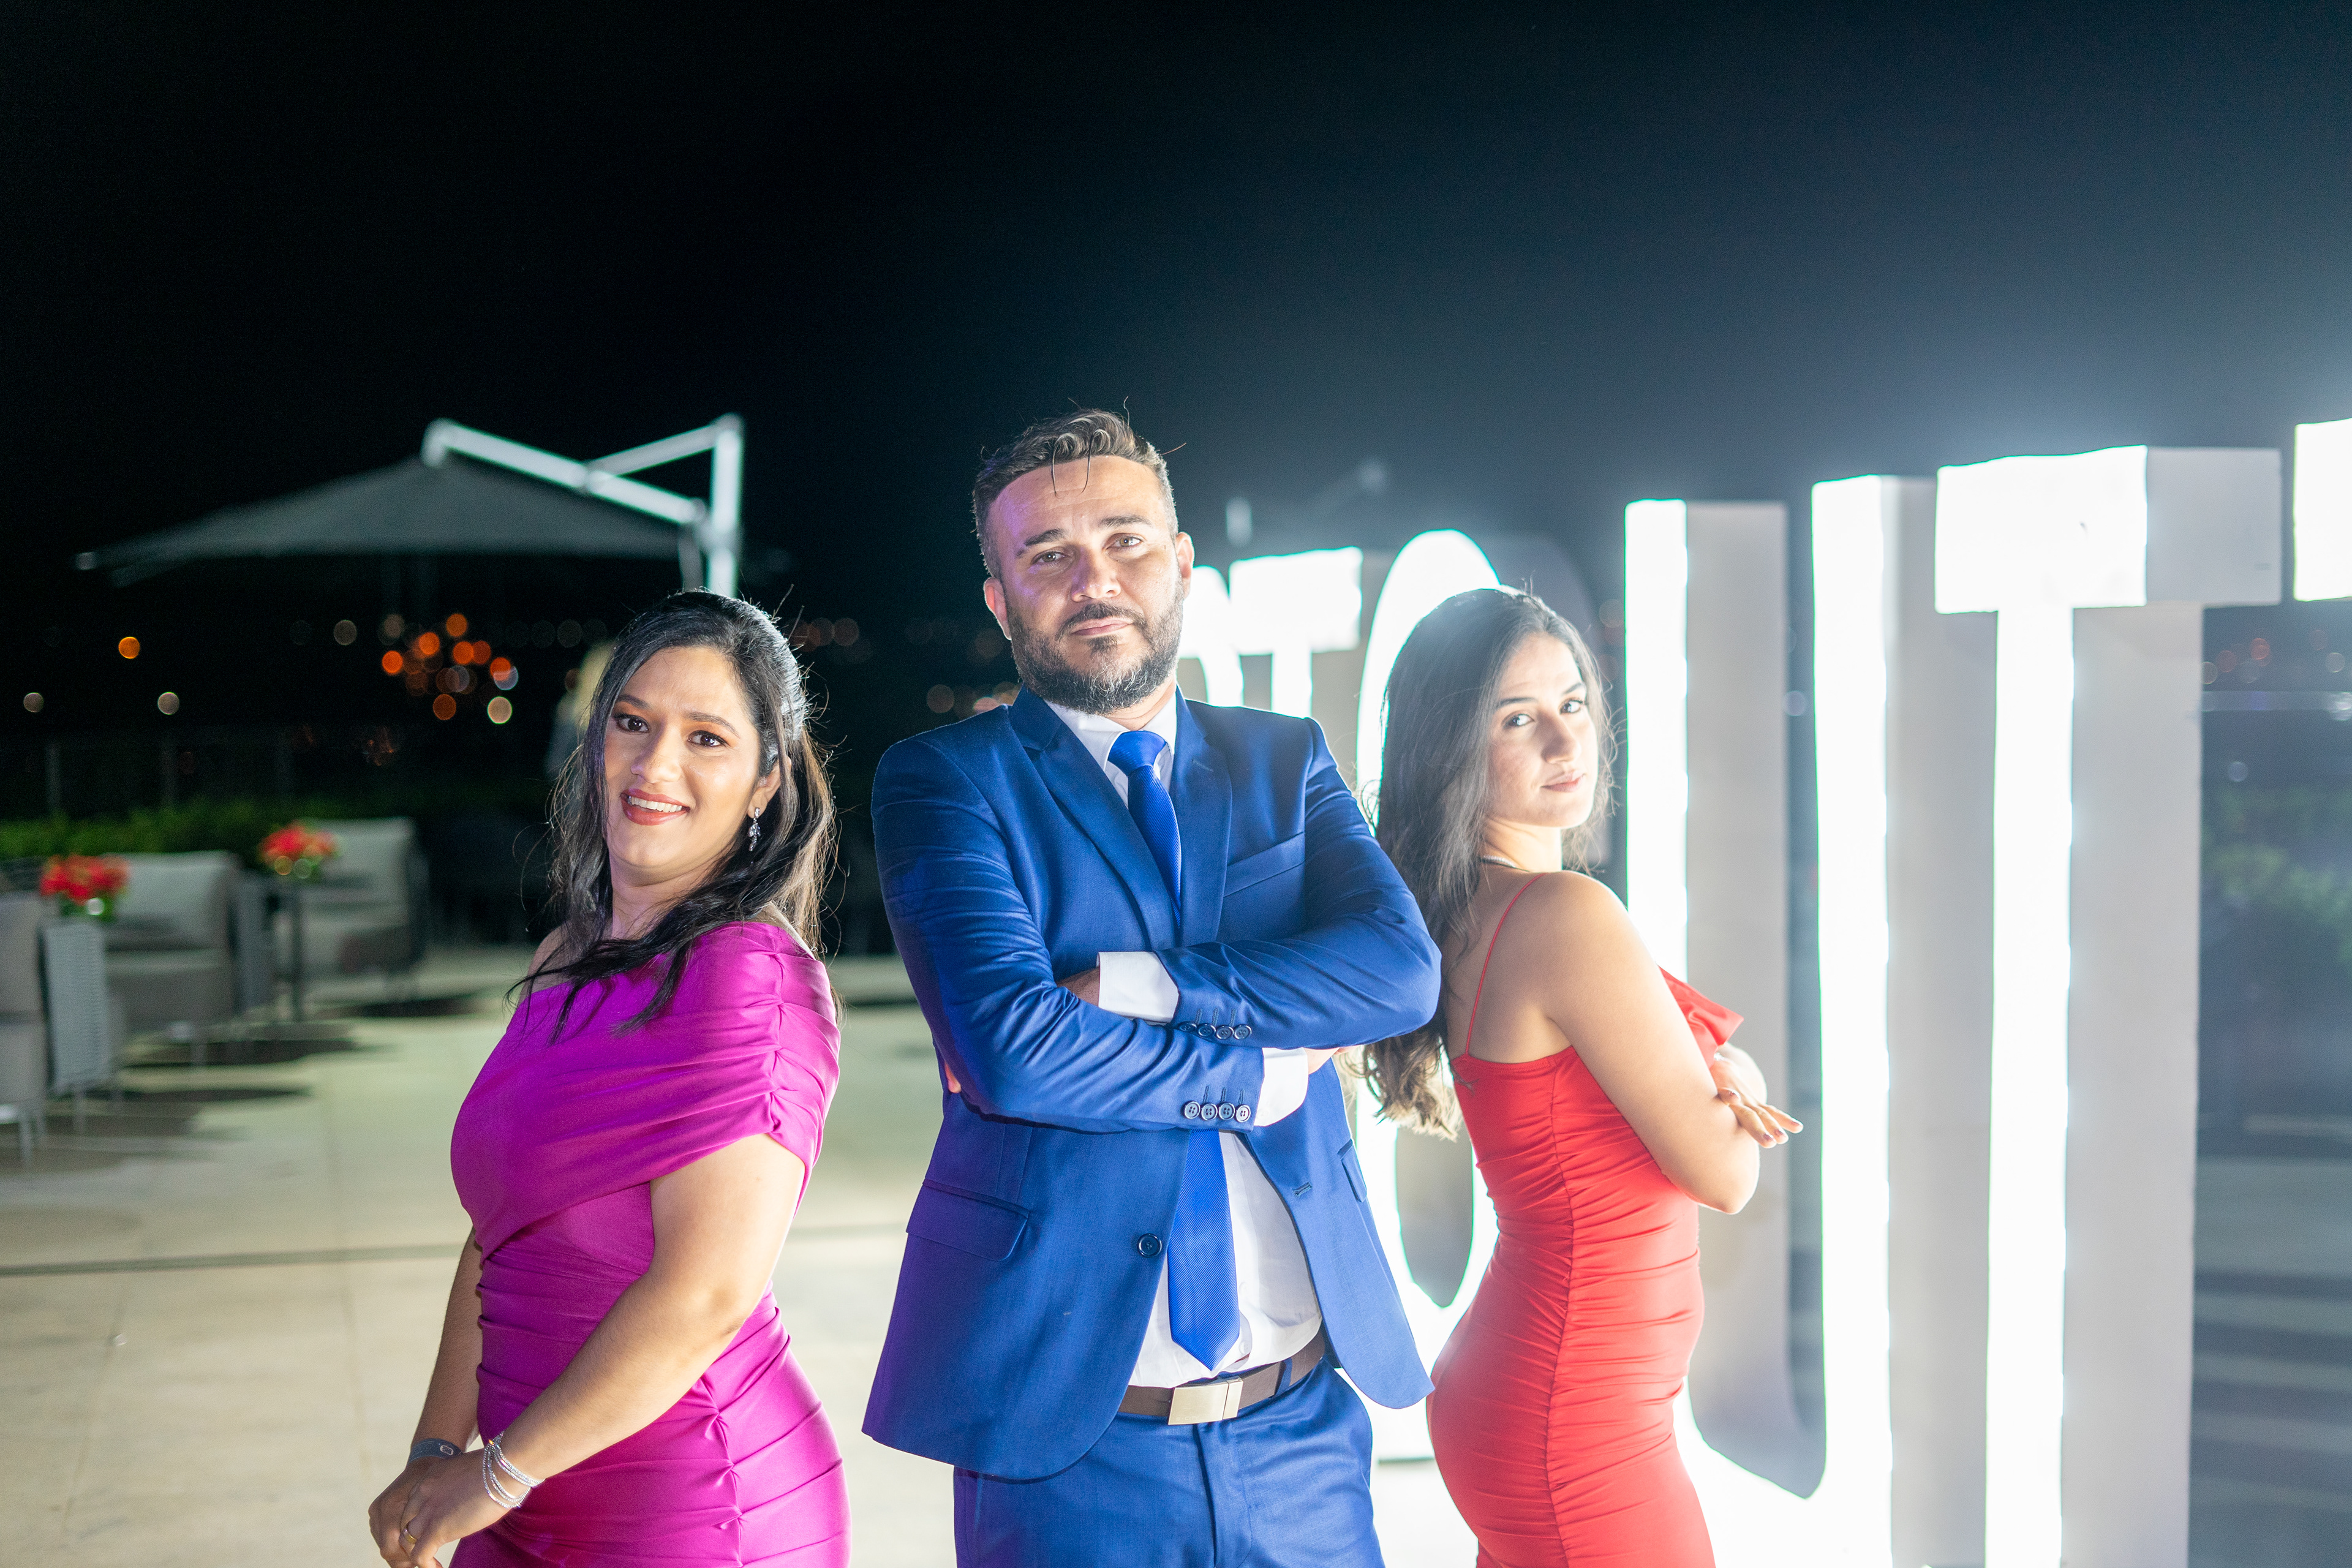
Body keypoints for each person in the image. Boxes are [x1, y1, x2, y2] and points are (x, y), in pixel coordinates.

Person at [864, 410, 1441, 1566]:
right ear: (1001, 601)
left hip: (1302, 1429)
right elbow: (1017, 1051)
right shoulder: (944, 781)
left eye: (1126, 541)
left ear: (1181, 564)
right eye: (1049, 556)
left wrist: (1140, 983)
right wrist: (1258, 1076)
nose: (1095, 581)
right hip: (1068, 1445)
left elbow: (1399, 971)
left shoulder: (1285, 757)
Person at [367, 591, 850, 1568]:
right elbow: (499, 1233)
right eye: (632, 722)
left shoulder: (749, 979)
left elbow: (706, 1293)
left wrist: (493, 1476)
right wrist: (436, 1451)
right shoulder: (565, 956)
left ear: (766, 779)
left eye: (706, 738)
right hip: (526, 1481)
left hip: (696, 1506)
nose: (655, 765)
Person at [1363, 587, 1801, 1568]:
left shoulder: (1475, 903)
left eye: (1573, 704)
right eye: (1518, 720)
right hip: (1579, 1421)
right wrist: (1734, 1068)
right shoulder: (1564, 914)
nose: (1568, 742)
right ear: (1449, 749)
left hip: (1546, 1394)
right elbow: (1726, 1174)